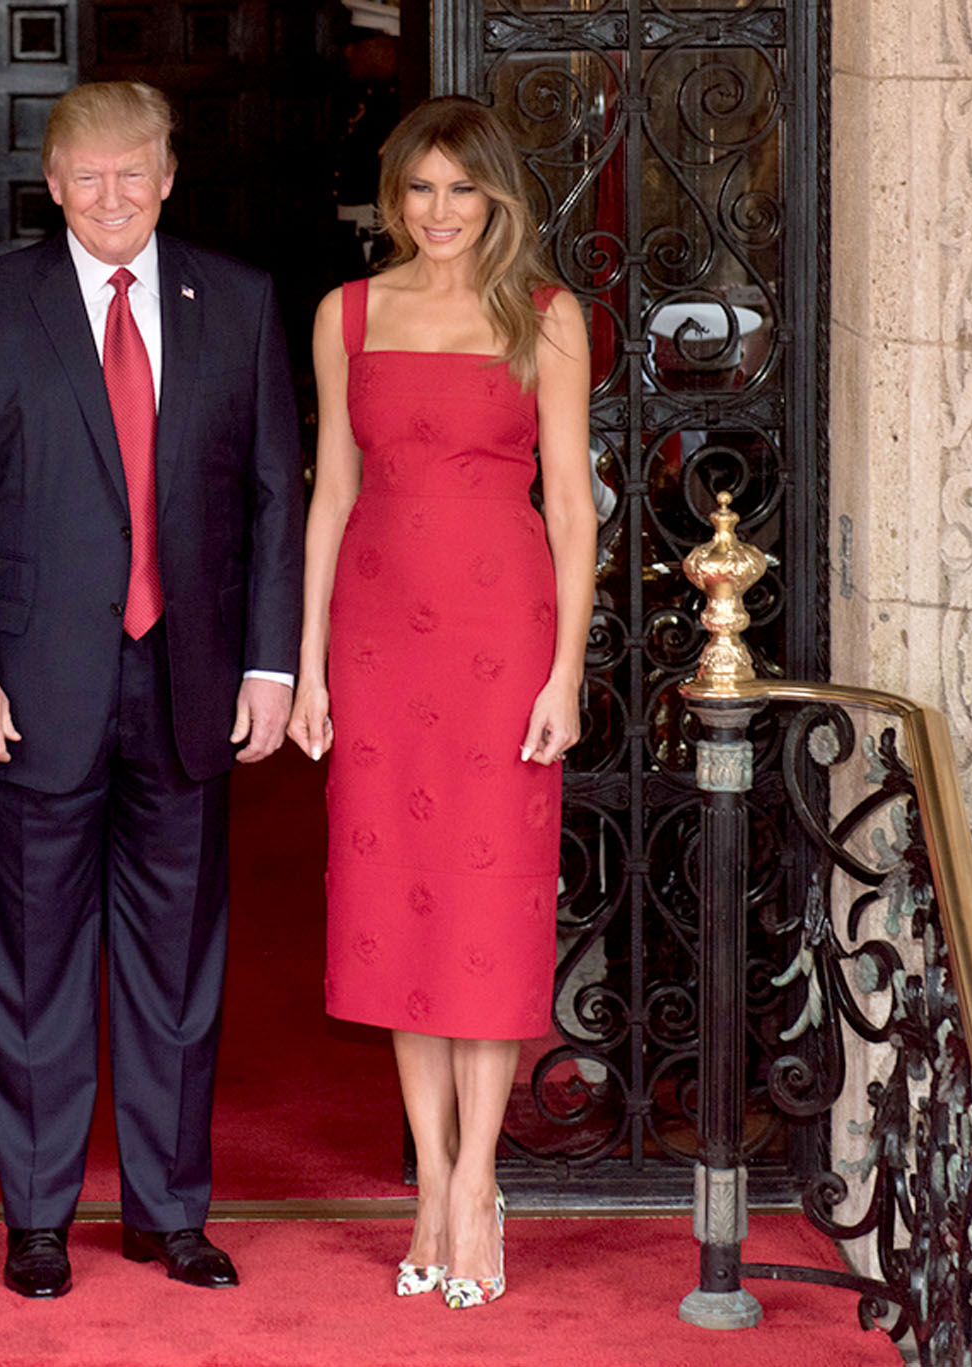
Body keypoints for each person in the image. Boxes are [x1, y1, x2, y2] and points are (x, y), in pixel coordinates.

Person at [0, 80, 305, 1299]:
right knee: (28, 957)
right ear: (50, 180)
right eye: (87, 174)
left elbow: (273, 498)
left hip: (187, 680)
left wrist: (270, 661)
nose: (111, 196)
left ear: (169, 175)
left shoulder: (234, 301)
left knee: (177, 963)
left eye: (133, 172)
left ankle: (167, 1210)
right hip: (27, 690)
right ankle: (35, 1215)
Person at [286, 95, 594, 1310]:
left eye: (461, 189)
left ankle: (477, 1182)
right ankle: (428, 1179)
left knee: (485, 906)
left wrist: (566, 668)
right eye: (419, 189)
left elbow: (571, 505)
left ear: (500, 195)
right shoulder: (344, 313)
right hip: (375, 636)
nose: (439, 212)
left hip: (498, 639)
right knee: (395, 904)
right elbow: (330, 494)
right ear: (391, 196)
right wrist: (306, 664)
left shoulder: (548, 318)